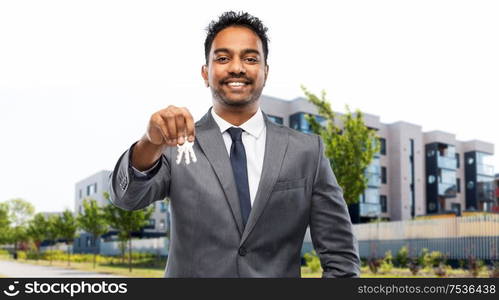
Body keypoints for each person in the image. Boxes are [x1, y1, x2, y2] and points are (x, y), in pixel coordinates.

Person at [110, 11, 360, 278]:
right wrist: (150, 142)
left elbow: (341, 257)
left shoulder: (307, 151)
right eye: (223, 58)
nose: (237, 67)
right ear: (206, 73)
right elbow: (126, 198)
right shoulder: (174, 142)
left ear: (265, 71)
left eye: (250, 58)